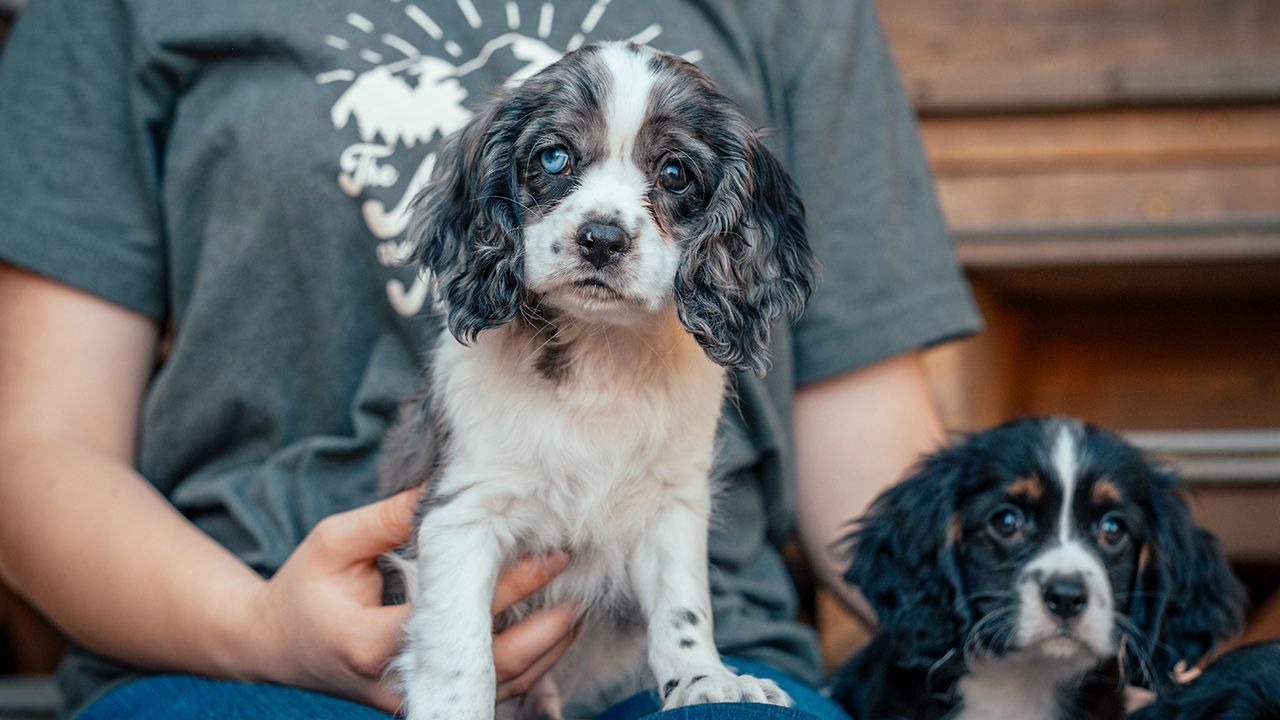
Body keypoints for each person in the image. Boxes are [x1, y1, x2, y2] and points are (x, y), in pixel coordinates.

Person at [0, 1, 980, 718]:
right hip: (233, 651)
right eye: (557, 161)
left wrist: (1043, 631)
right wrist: (254, 630)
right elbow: (31, 447)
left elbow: (869, 461)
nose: (605, 222)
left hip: (661, 665)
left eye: (668, 177)